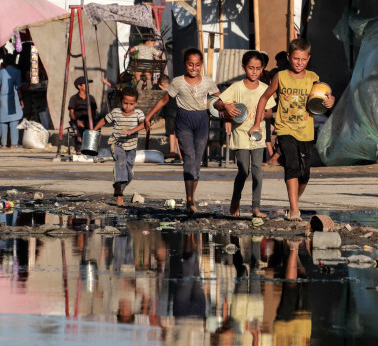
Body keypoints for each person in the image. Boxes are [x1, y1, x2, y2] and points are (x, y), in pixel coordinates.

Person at [127, 48, 230, 214]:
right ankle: (190, 200)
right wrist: (149, 116)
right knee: (189, 158)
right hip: (183, 121)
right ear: (185, 65)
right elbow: (164, 100)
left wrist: (227, 116)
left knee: (197, 162)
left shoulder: (208, 82)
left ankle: (192, 195)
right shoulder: (178, 82)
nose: (194, 68)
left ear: (201, 65)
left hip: (202, 121)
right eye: (190, 64)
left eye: (197, 64)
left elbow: (220, 100)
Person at [255, 39, 335, 221]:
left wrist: (332, 100)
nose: (299, 63)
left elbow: (327, 95)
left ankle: (294, 201)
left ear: (308, 59)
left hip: (306, 130)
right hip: (285, 129)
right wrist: (257, 122)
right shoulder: (281, 77)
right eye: (296, 59)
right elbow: (264, 97)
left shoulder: (313, 77)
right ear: (289, 57)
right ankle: (294, 210)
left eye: (303, 59)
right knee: (291, 165)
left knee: (304, 173)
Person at [215, 51, 276, 218]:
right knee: (243, 170)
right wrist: (227, 106)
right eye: (251, 68)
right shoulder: (236, 87)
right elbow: (217, 102)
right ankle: (236, 200)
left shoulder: (265, 88)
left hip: (258, 135)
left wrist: (265, 115)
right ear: (244, 68)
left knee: (257, 170)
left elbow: (270, 111)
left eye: (258, 68)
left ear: (262, 69)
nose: (254, 71)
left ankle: (256, 207)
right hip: (240, 135)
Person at [92, 87, 145, 207]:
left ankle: (119, 187)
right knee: (120, 162)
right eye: (125, 103)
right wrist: (94, 130)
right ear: (121, 101)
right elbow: (104, 120)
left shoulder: (138, 113)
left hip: (131, 146)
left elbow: (143, 125)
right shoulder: (116, 112)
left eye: (131, 104)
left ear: (135, 103)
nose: (128, 106)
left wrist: (132, 131)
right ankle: (119, 197)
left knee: (129, 173)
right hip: (116, 144)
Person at [0, 53, 24, 149]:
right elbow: (18, 87)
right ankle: (13, 144)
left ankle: (3, 144)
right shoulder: (17, 72)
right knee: (14, 121)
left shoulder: (1, 72)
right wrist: (21, 99)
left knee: (3, 121)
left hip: (2, 99)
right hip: (13, 98)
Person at [68, 76, 98, 155]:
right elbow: (71, 113)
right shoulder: (73, 98)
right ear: (79, 86)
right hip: (77, 121)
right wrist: (76, 121)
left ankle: (91, 149)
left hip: (89, 120)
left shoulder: (91, 98)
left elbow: (94, 112)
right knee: (78, 129)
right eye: (86, 84)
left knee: (93, 128)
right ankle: (79, 149)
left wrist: (91, 121)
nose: (88, 86)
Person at [157, 75, 182, 161]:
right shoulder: (175, 89)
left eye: (159, 86)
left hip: (170, 113)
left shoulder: (166, 91)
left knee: (172, 132)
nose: (160, 88)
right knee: (178, 132)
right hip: (179, 112)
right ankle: (180, 153)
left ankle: (172, 151)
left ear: (162, 84)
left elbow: (164, 104)